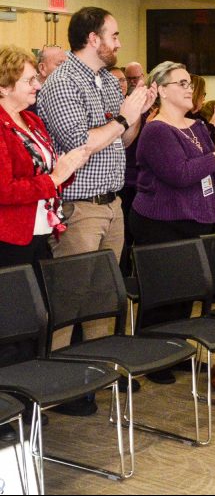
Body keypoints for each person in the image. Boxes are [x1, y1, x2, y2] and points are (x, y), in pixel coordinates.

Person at [37, 7, 156, 412]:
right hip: (79, 204)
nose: (119, 43)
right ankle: (56, 386)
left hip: (112, 202)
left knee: (105, 296)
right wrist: (125, 115)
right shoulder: (62, 82)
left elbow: (118, 140)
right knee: (70, 298)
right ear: (92, 38)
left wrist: (136, 114)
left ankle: (97, 371)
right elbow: (78, 143)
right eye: (115, 35)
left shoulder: (105, 80)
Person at [130, 61, 215, 383]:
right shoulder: (156, 130)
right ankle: (154, 360)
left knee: (186, 294)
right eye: (180, 83)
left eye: (188, 83)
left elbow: (212, 171)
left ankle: (176, 351)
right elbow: (180, 175)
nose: (187, 88)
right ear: (162, 91)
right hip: (161, 220)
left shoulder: (196, 126)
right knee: (163, 294)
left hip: (195, 217)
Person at [0, 45, 91, 440]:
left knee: (35, 323)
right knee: (10, 327)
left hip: (39, 233)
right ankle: (7, 409)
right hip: (8, 239)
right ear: (3, 88)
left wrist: (64, 172)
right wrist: (53, 180)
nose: (39, 84)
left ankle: (25, 402)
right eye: (29, 80)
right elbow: (4, 189)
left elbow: (51, 170)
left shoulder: (31, 121)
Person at [188, 74, 215, 142]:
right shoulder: (182, 119)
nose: (204, 99)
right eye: (203, 94)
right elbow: (198, 144)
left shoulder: (200, 117)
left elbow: (213, 143)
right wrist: (213, 124)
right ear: (195, 94)